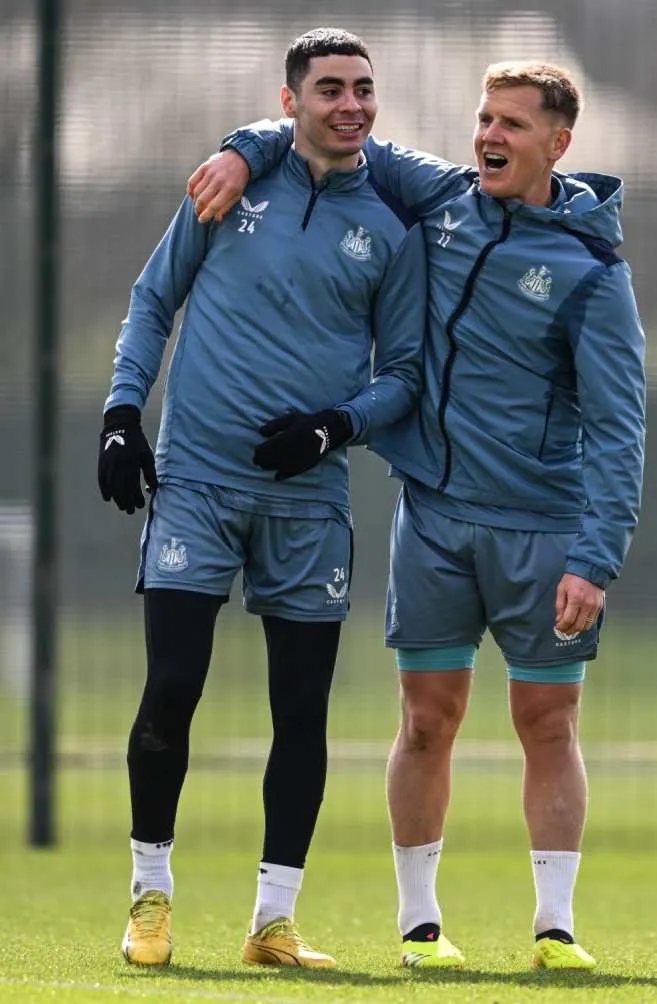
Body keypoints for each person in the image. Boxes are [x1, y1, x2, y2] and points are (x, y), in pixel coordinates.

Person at [189, 61, 646, 972]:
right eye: (485, 117)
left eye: (514, 125)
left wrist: (593, 560)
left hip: (542, 527)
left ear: (558, 145)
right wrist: (242, 150)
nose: (491, 136)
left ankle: (554, 929)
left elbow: (619, 425)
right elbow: (324, 130)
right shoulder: (437, 199)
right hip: (433, 518)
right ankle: (419, 927)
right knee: (426, 720)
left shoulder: (590, 271)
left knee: (546, 721)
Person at [98, 27, 426, 971]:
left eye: (364, 88)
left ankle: (272, 923)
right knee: (172, 689)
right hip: (195, 485)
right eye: (330, 89)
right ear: (290, 103)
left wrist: (334, 428)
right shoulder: (227, 186)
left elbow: (402, 373)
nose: (351, 105)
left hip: (308, 500)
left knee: (302, 714)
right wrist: (123, 413)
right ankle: (149, 901)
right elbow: (153, 299)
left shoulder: (393, 227)